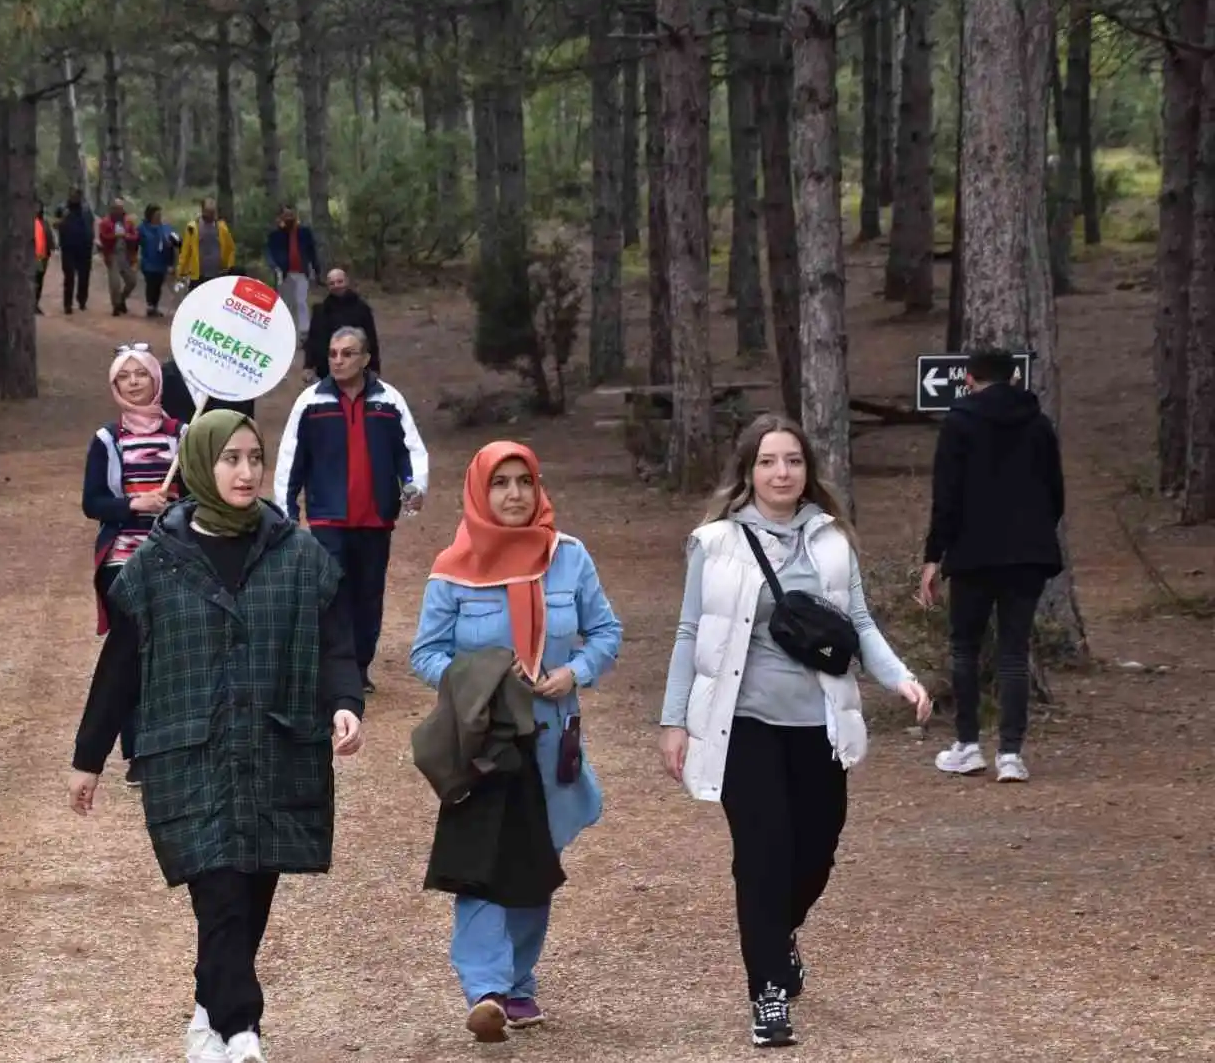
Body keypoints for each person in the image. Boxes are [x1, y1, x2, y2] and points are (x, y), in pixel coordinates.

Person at [68, 409, 365, 1063]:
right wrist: (88, 757)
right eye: (230, 459)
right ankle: (242, 1033)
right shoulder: (158, 562)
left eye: (254, 458)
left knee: (251, 893)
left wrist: (344, 702)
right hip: (188, 751)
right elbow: (120, 662)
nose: (245, 471)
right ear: (203, 464)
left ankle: (210, 1005)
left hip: (275, 749)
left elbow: (335, 641)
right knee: (221, 892)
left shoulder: (297, 552)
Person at [658, 415, 929, 1049]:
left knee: (817, 850)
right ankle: (769, 993)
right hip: (743, 724)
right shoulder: (715, 543)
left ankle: (778, 936)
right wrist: (674, 720)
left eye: (794, 461)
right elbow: (689, 633)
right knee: (761, 857)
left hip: (819, 722)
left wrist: (901, 679)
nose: (782, 473)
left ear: (808, 471)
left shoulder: (831, 540)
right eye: (769, 462)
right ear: (748, 472)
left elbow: (858, 623)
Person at [409, 441, 623, 1043]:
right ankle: (485, 989)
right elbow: (425, 653)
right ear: (480, 490)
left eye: (523, 481)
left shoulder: (569, 559)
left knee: (534, 861)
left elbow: (606, 632)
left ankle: (520, 985)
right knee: (481, 861)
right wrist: (483, 680)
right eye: (499, 482)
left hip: (552, 737)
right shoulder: (453, 567)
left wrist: (574, 673)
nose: (512, 494)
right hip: (484, 738)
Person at [919, 349, 1065, 783]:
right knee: (1014, 652)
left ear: (968, 378)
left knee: (965, 648)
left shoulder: (959, 423)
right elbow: (1056, 493)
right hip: (1028, 555)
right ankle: (1011, 754)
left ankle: (967, 745)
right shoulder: (1039, 424)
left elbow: (946, 496)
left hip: (972, 554)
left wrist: (933, 556)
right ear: (1014, 377)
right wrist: (1036, 532)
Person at [274, 326, 428, 693]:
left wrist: (414, 486)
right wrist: (287, 514)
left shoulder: (389, 401)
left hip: (376, 518)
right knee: (331, 592)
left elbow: (411, 451)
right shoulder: (311, 402)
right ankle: (334, 667)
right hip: (329, 517)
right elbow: (289, 460)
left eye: (347, 353)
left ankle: (359, 667)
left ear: (366, 358)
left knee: (368, 593)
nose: (338, 360)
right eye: (332, 354)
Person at [81, 344, 185, 786]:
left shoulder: (182, 434)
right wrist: (132, 503)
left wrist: (176, 500)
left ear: (155, 380)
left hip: (174, 553)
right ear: (115, 386)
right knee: (130, 651)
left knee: (169, 652)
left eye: (140, 374)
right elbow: (93, 502)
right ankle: (136, 750)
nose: (134, 383)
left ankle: (170, 743)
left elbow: (199, 488)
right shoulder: (107, 440)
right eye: (125, 377)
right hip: (122, 557)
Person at [303, 269, 380, 381]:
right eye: (332, 283)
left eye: (340, 281)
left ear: (347, 282)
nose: (336, 286)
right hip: (326, 371)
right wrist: (308, 366)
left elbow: (371, 338)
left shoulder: (362, 308)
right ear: (328, 286)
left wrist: (374, 367)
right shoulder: (320, 311)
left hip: (356, 369)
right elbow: (312, 339)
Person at [263, 204, 321, 336]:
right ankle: (286, 331)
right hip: (284, 273)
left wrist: (316, 269)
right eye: (286, 215)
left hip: (301, 272)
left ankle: (304, 332)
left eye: (291, 214)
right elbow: (269, 253)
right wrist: (274, 266)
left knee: (301, 302)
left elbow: (312, 252)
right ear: (281, 217)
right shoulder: (276, 235)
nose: (289, 218)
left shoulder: (304, 232)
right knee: (286, 304)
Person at [177, 197, 237, 291]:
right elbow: (185, 251)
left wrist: (229, 266)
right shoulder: (192, 228)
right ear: (203, 211)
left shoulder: (221, 227)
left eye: (213, 212)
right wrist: (181, 271)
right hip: (198, 274)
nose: (211, 215)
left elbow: (230, 248)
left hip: (217, 273)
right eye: (209, 212)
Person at [97, 197, 141, 316]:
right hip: (112, 254)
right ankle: (116, 306)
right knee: (115, 283)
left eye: (120, 208)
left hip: (125, 254)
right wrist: (114, 236)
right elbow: (103, 237)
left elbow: (135, 236)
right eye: (116, 208)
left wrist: (126, 236)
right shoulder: (105, 222)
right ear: (112, 209)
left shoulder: (128, 222)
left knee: (132, 281)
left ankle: (122, 299)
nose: (118, 211)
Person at [57, 189, 94, 313]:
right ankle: (68, 304)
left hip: (84, 247)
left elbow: (91, 224)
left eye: (77, 195)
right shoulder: (62, 208)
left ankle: (82, 300)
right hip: (68, 247)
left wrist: (92, 240)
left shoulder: (86, 209)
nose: (74, 197)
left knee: (84, 276)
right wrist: (62, 221)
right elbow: (55, 223)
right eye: (72, 195)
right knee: (69, 276)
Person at [137, 205, 178, 318]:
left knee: (158, 284)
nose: (159, 217)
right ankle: (150, 305)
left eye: (160, 214)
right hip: (148, 261)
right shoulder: (142, 228)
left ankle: (154, 306)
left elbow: (177, 241)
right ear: (150, 215)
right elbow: (135, 242)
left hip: (162, 261)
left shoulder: (165, 228)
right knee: (151, 282)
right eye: (156, 215)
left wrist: (173, 242)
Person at [34, 203, 55, 314]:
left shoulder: (44, 223)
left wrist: (51, 246)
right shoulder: (29, 223)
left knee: (39, 281)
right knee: (33, 280)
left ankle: (35, 302)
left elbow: (49, 236)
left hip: (43, 257)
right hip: (33, 257)